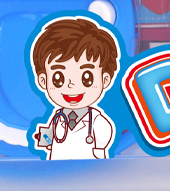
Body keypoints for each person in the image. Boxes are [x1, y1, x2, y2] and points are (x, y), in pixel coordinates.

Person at [31, 17, 119, 160]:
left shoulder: (98, 122)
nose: (71, 85)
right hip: (55, 170)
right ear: (43, 81)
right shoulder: (57, 118)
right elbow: (48, 142)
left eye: (86, 78)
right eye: (58, 78)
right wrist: (42, 137)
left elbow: (102, 150)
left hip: (90, 171)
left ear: (105, 79)